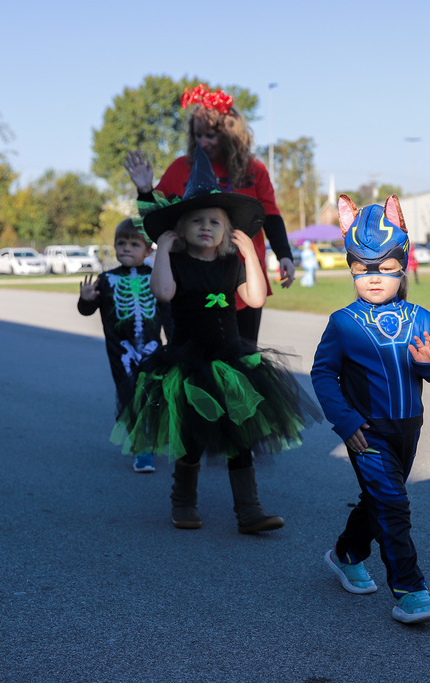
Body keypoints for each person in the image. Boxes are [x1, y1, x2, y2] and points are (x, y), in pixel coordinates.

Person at [112, 146, 318, 533]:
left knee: (241, 437)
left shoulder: (230, 263)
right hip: (188, 365)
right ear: (181, 230)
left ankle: (249, 511)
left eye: (215, 221)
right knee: (190, 438)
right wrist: (163, 254)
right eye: (197, 221)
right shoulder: (177, 262)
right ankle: (183, 503)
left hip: (230, 362)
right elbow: (163, 293)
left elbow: (255, 298)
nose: (206, 227)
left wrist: (251, 256)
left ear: (227, 230)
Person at [311, 193, 430, 625]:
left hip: (408, 428)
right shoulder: (342, 322)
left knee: (378, 500)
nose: (374, 278)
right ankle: (412, 592)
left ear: (402, 267)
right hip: (365, 431)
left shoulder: (421, 316)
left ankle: (346, 553)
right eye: (362, 269)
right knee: (392, 504)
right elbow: (322, 374)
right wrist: (346, 421)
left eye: (386, 268)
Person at [124, 83, 296, 344]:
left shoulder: (254, 169)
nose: (203, 143)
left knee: (243, 354)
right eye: (198, 136)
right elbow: (156, 217)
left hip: (240, 270)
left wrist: (284, 254)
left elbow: (270, 214)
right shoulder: (181, 167)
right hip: (193, 275)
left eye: (211, 136)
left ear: (229, 134)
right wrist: (145, 189)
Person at [78, 218, 169, 473]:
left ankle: (151, 438)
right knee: (130, 397)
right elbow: (87, 310)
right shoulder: (106, 280)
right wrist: (85, 301)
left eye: (134, 244)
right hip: (122, 353)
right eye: (121, 243)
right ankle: (142, 447)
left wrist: (174, 343)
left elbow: (168, 312)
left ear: (148, 251)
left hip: (153, 350)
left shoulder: (156, 276)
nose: (127, 248)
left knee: (152, 396)